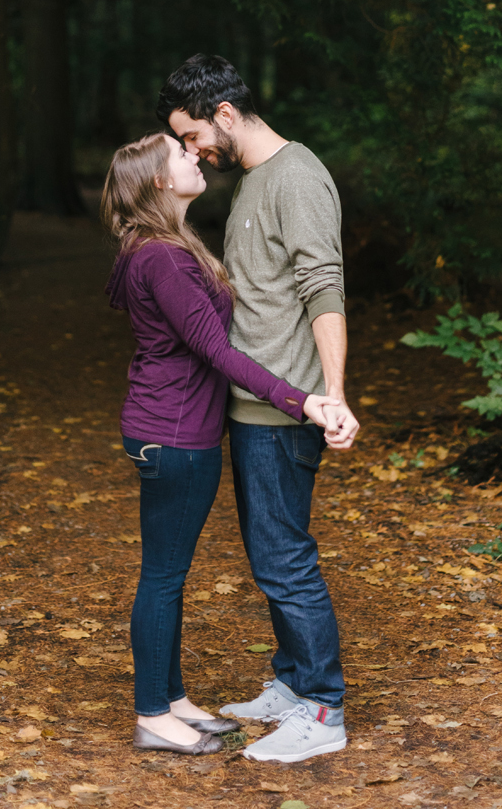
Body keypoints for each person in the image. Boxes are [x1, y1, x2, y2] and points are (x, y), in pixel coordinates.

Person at [102, 133, 347, 756]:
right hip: (175, 435)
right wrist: (302, 399)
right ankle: (153, 716)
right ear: (159, 180)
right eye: (180, 153)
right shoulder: (163, 257)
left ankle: (172, 700)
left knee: (168, 575)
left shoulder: (165, 248)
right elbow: (216, 349)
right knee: (162, 577)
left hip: (169, 428)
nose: (194, 155)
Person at [157, 55, 360, 764]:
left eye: (191, 136)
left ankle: (323, 710)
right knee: (269, 554)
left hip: (285, 408)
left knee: (284, 560)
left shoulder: (296, 177)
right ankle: (292, 680)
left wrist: (331, 394)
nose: (191, 152)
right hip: (250, 403)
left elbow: (322, 287)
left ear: (224, 114)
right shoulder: (254, 180)